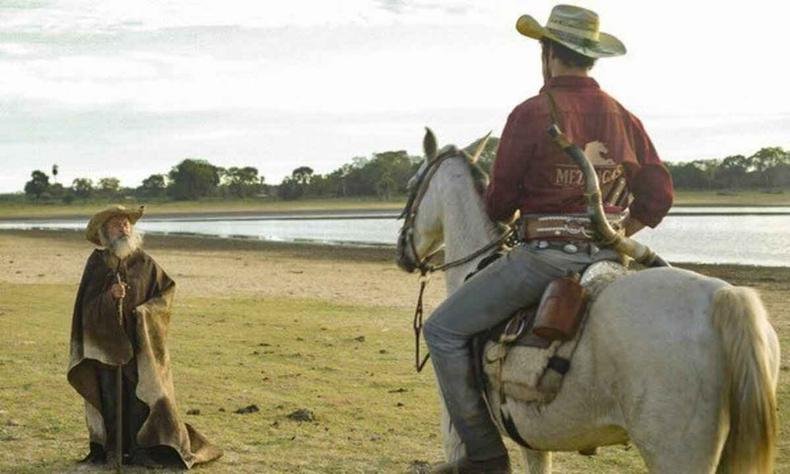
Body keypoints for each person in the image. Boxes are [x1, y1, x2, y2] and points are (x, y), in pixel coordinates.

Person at [423, 5, 674, 473]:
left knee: (442, 329)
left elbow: (498, 205)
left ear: (547, 52)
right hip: (609, 262)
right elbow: (658, 195)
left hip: (544, 259)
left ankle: (483, 456)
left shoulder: (531, 112)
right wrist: (616, 233)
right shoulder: (624, 116)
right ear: (590, 57)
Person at [67, 205, 222, 469]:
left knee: (140, 397)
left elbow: (166, 293)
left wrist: (144, 313)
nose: (124, 227)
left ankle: (141, 451)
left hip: (140, 345)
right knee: (110, 398)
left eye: (126, 223)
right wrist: (109, 298)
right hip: (104, 346)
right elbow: (85, 307)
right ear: (105, 232)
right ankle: (113, 451)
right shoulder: (97, 263)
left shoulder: (145, 263)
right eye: (116, 224)